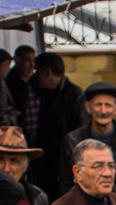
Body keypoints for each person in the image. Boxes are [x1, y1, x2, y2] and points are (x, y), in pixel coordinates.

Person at [27, 54, 86, 197]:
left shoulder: (74, 95)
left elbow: (81, 131)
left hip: (63, 161)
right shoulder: (44, 93)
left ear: (47, 72)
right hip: (47, 161)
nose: (34, 76)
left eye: (37, 71)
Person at [73, 82, 116, 171]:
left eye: (108, 105)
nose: (103, 111)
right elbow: (66, 182)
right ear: (87, 107)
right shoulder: (73, 141)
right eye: (98, 105)